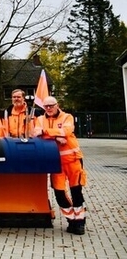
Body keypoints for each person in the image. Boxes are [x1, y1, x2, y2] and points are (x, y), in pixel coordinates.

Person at [32, 96, 87, 235]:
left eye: (51, 105)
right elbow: (36, 134)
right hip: (55, 162)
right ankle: (71, 220)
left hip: (73, 160)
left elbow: (66, 132)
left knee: (76, 192)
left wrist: (46, 132)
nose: (49, 108)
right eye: (46, 106)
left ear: (57, 105)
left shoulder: (67, 117)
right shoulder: (39, 120)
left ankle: (79, 223)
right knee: (59, 194)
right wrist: (56, 137)